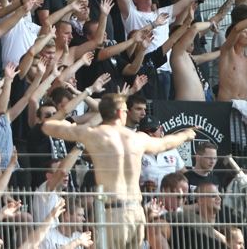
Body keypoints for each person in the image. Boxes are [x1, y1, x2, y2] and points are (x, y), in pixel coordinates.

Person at [42, 93, 198, 249]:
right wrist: (185, 135)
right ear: (120, 113)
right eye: (126, 111)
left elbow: (47, 126)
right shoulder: (137, 138)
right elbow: (165, 144)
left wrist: (76, 115)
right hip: (137, 212)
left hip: (114, 213)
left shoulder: (92, 134)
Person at [138, 115, 186, 192]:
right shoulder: (137, 150)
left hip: (170, 199)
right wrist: (142, 187)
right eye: (145, 132)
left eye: (153, 130)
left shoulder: (171, 149)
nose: (150, 134)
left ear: (161, 130)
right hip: (147, 199)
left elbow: (183, 172)